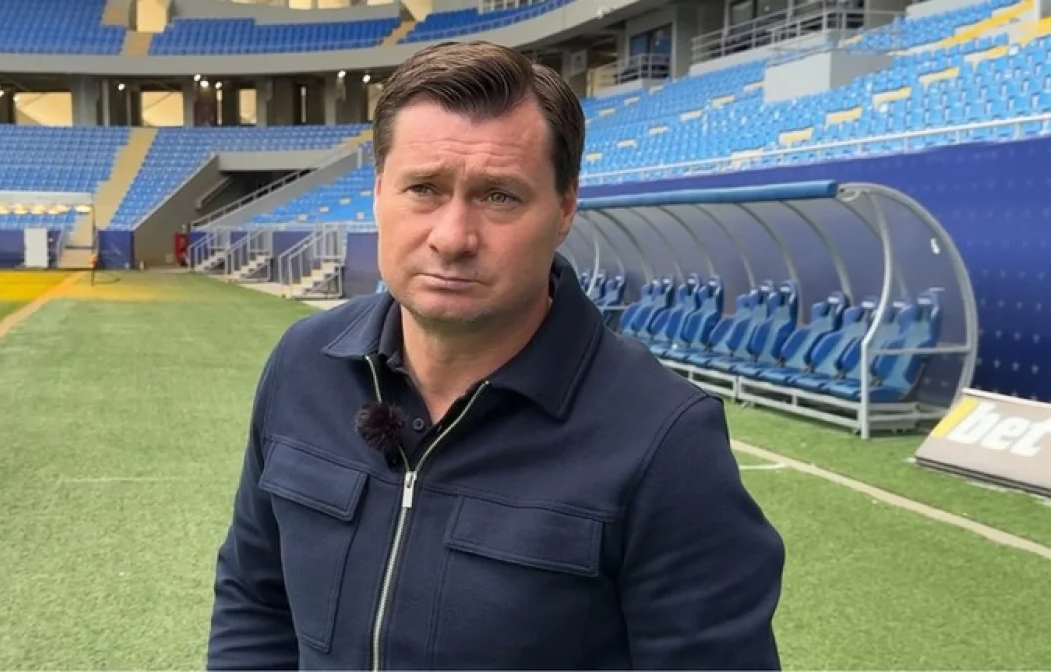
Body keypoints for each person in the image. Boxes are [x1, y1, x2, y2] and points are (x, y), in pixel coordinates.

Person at [207, 40, 786, 671]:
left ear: (564, 210)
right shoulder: (304, 365)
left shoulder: (664, 438)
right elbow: (255, 599)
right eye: (423, 188)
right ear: (377, 193)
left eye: (499, 196)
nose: (453, 237)